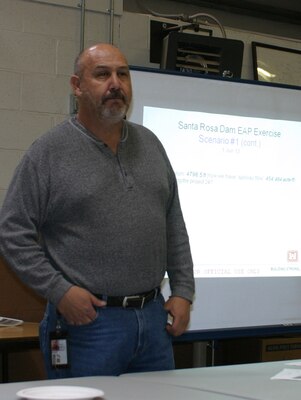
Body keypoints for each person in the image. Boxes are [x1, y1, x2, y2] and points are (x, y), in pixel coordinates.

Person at [0, 43, 194, 378]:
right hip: (88, 325)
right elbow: (12, 231)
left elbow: (172, 222)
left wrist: (183, 291)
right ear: (77, 86)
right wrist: (59, 291)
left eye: (123, 74)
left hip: (152, 318)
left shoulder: (151, 145)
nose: (115, 83)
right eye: (102, 74)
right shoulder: (48, 153)